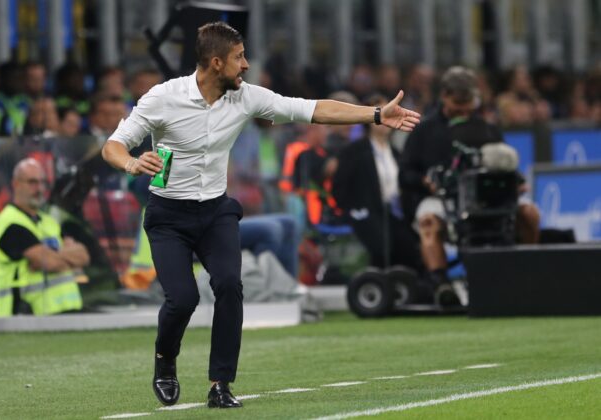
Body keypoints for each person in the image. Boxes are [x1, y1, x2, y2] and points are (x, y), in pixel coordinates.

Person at [101, 21, 420, 409]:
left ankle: (220, 384)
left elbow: (311, 109)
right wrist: (132, 164)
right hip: (168, 215)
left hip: (215, 211)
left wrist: (375, 114)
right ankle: (165, 361)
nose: (246, 65)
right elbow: (113, 146)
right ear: (216, 63)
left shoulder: (246, 97)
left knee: (230, 285)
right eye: (239, 57)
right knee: (182, 300)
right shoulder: (163, 97)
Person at [400, 66, 540, 291]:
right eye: (458, 103)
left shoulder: (488, 129)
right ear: (444, 96)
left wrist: (518, 182)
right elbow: (405, 173)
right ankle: (441, 284)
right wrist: (424, 182)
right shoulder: (423, 131)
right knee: (428, 221)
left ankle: (525, 271)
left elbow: (504, 163)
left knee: (530, 213)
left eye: (468, 103)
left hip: (490, 198)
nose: (464, 110)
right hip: (442, 198)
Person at [332, 93, 422, 272]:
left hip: (393, 213)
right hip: (366, 212)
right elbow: (340, 187)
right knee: (381, 245)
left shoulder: (396, 153)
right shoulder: (353, 151)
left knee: (409, 245)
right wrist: (352, 209)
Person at [0, 158, 90, 316]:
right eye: (32, 182)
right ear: (16, 184)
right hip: (25, 318)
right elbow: (49, 262)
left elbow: (83, 256)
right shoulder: (10, 223)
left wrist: (52, 256)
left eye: (43, 182)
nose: (40, 188)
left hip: (66, 313)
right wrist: (66, 259)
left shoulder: (48, 221)